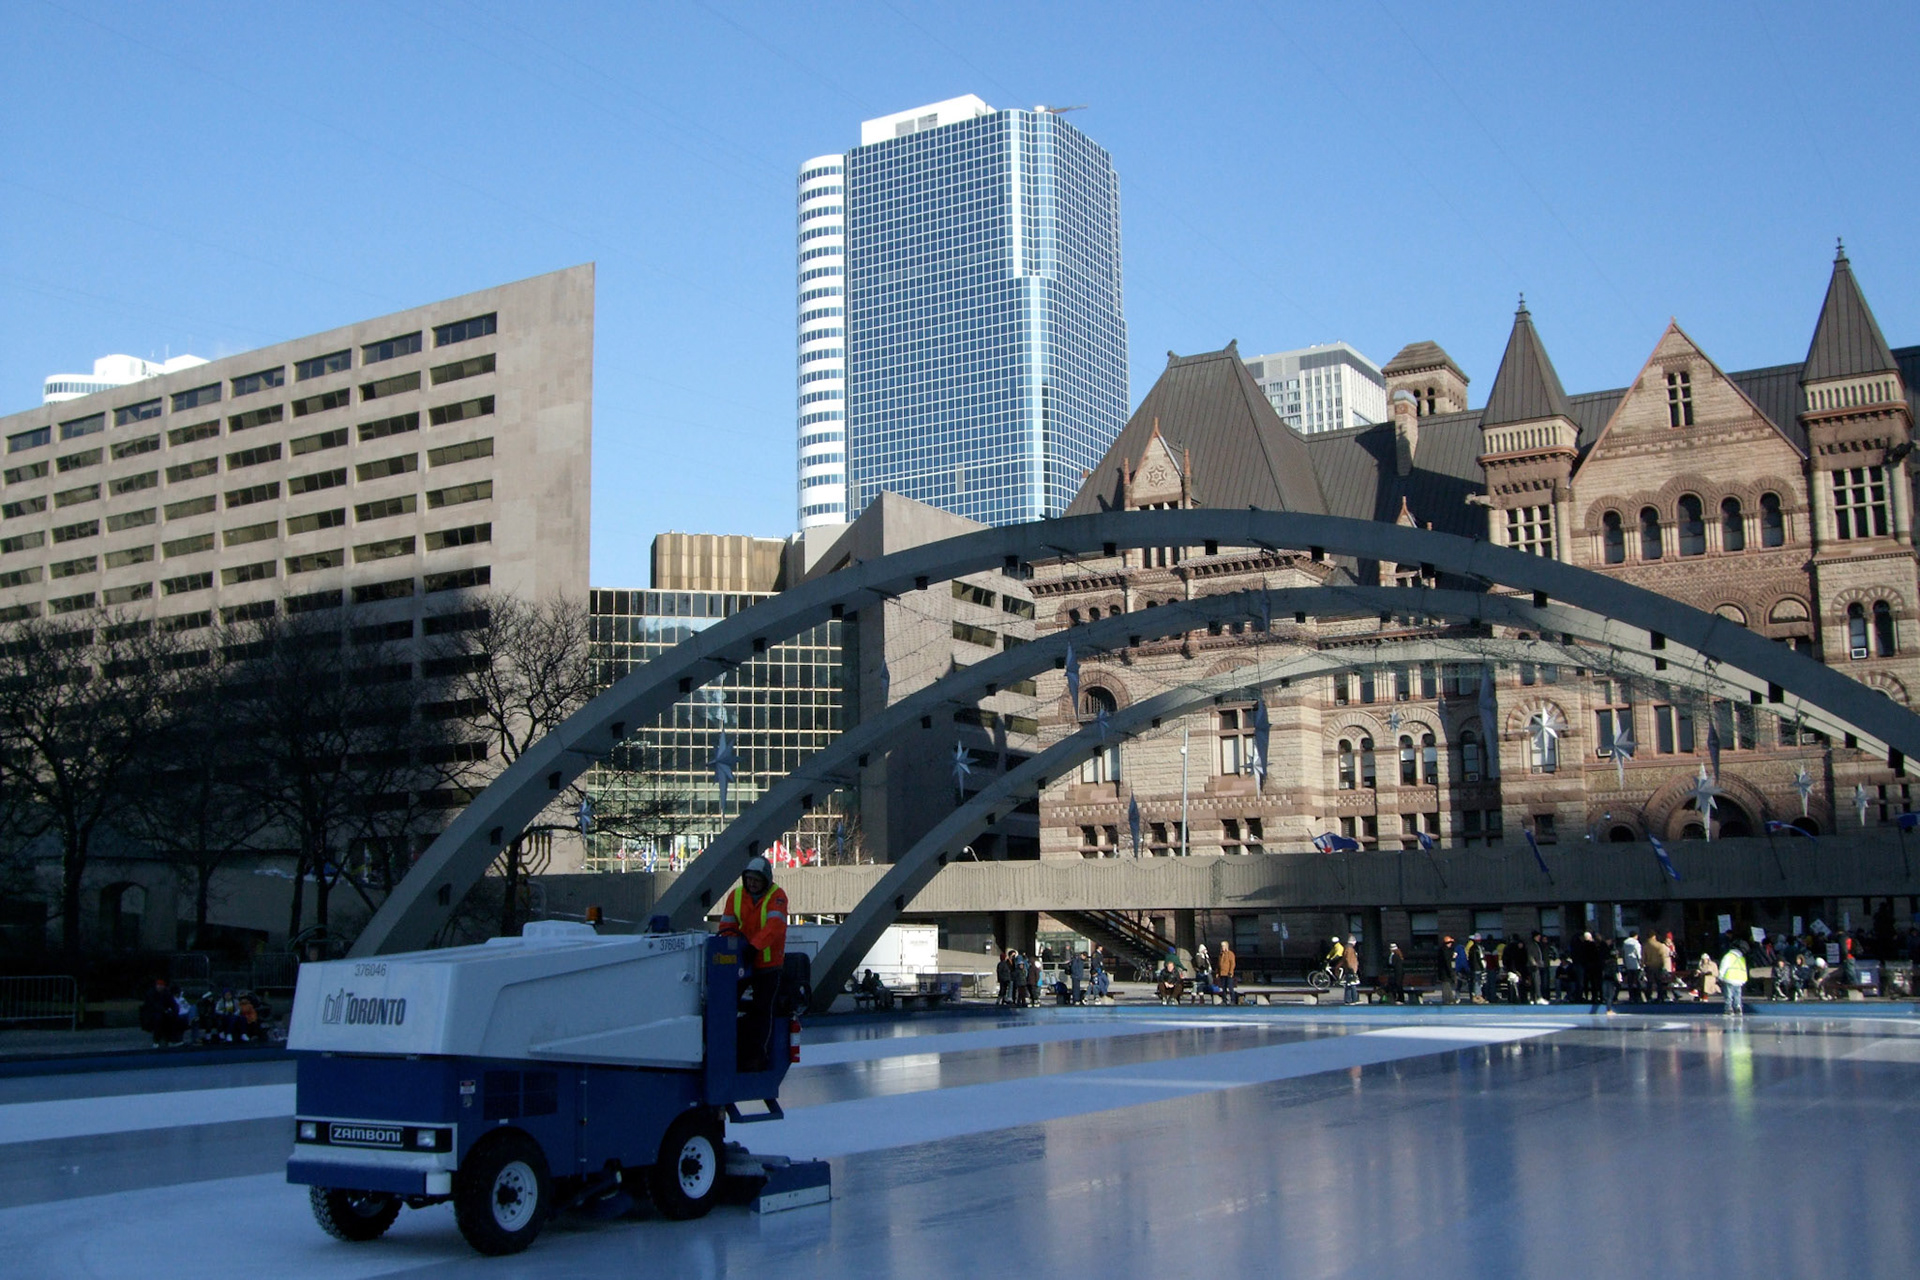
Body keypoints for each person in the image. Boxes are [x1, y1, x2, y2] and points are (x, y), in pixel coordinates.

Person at [718, 854, 788, 1071]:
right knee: (725, 1004)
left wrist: (754, 946)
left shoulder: (777, 896)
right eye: (749, 879)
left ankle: (757, 1055)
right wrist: (732, 947)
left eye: (756, 880)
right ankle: (724, 1049)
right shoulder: (736, 896)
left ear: (765, 880)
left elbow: (774, 927)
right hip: (741, 961)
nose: (752, 883)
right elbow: (727, 925)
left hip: (767, 965)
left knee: (762, 1009)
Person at [139, 977, 189, 1049]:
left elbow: (173, 1003)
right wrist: (164, 1010)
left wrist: (175, 1011)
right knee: (158, 1019)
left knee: (177, 1018)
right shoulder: (151, 993)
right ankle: (156, 1041)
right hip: (152, 1014)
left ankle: (174, 1039)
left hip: (164, 1012)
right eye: (158, 985)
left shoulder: (166, 993)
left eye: (161, 985)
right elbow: (153, 1005)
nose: (159, 987)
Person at [1719, 939, 1748, 1016]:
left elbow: (1724, 966)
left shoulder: (1728, 956)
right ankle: (1738, 1007)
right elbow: (1744, 969)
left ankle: (1729, 1008)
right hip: (1739, 980)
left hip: (1729, 978)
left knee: (1728, 995)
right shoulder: (1742, 958)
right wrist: (1744, 979)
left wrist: (1720, 976)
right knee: (1737, 995)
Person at [1644, 932, 1672, 1003]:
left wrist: (1643, 964)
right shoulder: (1659, 945)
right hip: (1658, 965)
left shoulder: (1645, 946)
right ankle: (1660, 996)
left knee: (1649, 982)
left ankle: (1648, 997)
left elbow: (1643, 956)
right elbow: (1662, 955)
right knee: (1659, 982)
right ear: (1654, 936)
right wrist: (1662, 964)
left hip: (1649, 965)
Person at [1216, 939, 1238, 1005]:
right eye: (1221, 946)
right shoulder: (1220, 955)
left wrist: (1231, 972)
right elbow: (1218, 964)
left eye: (1223, 946)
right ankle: (1224, 1000)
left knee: (1230, 987)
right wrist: (1217, 973)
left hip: (1228, 973)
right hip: (1222, 973)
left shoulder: (1230, 954)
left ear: (1226, 946)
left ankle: (1233, 1000)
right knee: (1223, 988)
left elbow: (1232, 963)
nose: (1222, 947)